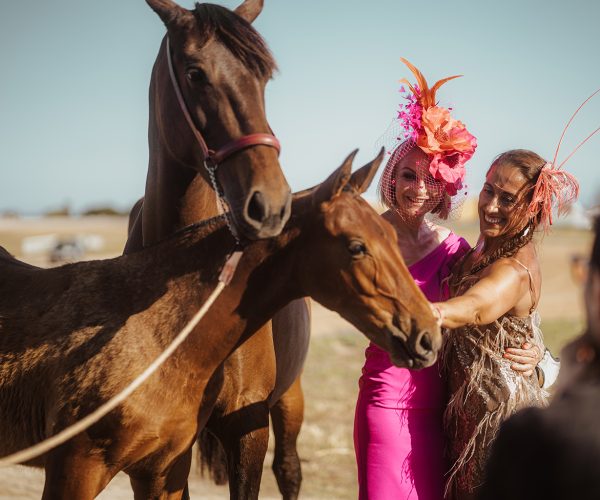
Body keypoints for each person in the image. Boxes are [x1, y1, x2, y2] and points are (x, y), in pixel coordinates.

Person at [353, 59, 539, 500]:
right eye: (408, 175)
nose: (418, 189)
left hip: (446, 411)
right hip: (387, 401)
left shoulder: (456, 250)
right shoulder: (367, 240)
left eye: (431, 179)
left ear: (445, 188)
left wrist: (538, 353)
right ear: (391, 178)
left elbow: (498, 303)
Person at [434, 148, 580, 499]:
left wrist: (409, 312)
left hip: (495, 420)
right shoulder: (488, 244)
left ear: (532, 206)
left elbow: (473, 308)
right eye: (488, 190)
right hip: (465, 414)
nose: (490, 205)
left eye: (507, 198)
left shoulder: (513, 268)